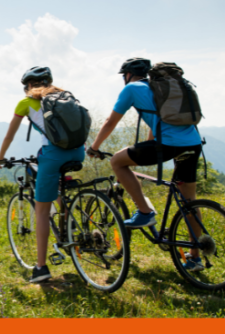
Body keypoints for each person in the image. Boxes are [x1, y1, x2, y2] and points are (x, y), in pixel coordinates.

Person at [87, 58, 205, 272]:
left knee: (117, 162)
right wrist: (148, 143)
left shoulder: (132, 88)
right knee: (189, 202)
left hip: (168, 144)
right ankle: (195, 256)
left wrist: (94, 147)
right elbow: (156, 120)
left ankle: (144, 211)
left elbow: (110, 122)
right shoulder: (160, 88)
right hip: (193, 143)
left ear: (128, 75)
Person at [0, 66, 85, 283]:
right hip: (78, 152)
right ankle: (69, 224)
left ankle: (41, 268)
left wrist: (0, 158)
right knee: (54, 184)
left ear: (29, 86)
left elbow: (9, 136)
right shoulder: (64, 98)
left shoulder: (26, 103)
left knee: (42, 212)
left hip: (53, 155)